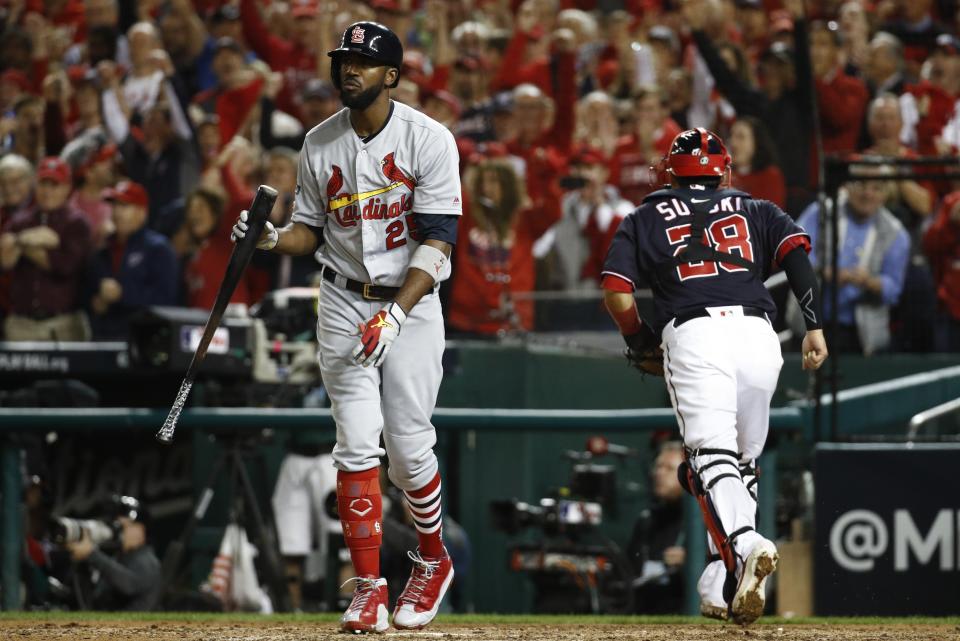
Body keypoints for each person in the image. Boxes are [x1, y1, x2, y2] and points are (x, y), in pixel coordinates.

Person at [231, 21, 459, 633]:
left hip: (410, 300)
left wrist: (396, 312)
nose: (348, 70)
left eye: (362, 61)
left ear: (391, 74)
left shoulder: (429, 139)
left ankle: (432, 561)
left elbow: (440, 243)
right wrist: (274, 238)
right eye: (343, 60)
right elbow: (312, 230)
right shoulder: (318, 142)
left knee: (410, 451)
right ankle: (368, 588)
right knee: (356, 443)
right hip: (340, 300)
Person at [601, 128, 828, 625]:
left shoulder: (643, 216)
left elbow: (618, 292)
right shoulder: (759, 208)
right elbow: (797, 259)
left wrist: (640, 340)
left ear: (668, 171)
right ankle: (718, 579)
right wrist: (813, 327)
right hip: (759, 336)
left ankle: (747, 544)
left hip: (697, 333)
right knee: (740, 464)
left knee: (708, 458)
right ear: (724, 171)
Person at [795, 172, 910, 355]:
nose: (868, 194)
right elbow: (795, 250)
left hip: (860, 335)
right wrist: (822, 271)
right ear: (847, 186)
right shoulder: (821, 211)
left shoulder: (896, 233)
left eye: (876, 188)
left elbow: (894, 289)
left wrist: (869, 282)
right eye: (861, 185)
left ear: (885, 194)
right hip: (811, 322)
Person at [1, 157, 93, 341]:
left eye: (55, 185)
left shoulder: (76, 223)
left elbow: (63, 265)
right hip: (22, 324)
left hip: (64, 324)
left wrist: (21, 244)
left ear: (67, 187)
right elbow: (5, 261)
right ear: (36, 185)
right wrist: (29, 238)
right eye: (44, 184)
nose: (48, 191)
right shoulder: (20, 221)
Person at [86, 181, 179, 339]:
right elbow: (88, 291)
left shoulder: (158, 248)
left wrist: (123, 293)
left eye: (124, 206)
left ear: (142, 213)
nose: (117, 212)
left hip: (144, 339)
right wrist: (95, 302)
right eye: (114, 206)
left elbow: (167, 298)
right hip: (105, 338)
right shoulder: (103, 248)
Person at [64, 495, 161, 611]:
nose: (120, 531)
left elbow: (129, 585)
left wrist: (92, 553)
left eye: (125, 526)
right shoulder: (121, 556)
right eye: (118, 525)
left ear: (141, 530)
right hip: (111, 625)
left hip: (134, 627)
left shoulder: (147, 560)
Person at [627, 441, 686, 614]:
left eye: (669, 468)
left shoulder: (703, 520)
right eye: (658, 467)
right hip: (645, 611)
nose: (659, 473)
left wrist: (690, 562)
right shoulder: (647, 519)